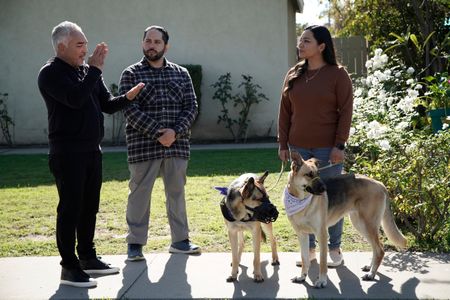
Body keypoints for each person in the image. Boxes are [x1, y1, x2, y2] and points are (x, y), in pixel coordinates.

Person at [38, 21, 144, 288]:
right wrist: (96, 70)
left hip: (91, 152)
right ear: (61, 46)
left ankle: (87, 258)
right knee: (70, 210)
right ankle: (69, 267)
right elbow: (74, 98)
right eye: (79, 44)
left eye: (86, 43)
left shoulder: (86, 71)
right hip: (67, 154)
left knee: (89, 209)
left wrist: (127, 97)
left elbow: (107, 105)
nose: (85, 50)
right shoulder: (50, 73)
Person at [119, 25, 200, 261]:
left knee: (176, 194)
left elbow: (191, 107)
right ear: (142, 43)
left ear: (166, 45)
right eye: (147, 41)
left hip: (177, 144)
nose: (151, 45)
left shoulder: (181, 74)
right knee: (139, 195)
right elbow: (129, 110)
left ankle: (180, 241)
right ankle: (135, 244)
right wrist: (158, 133)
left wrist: (174, 131)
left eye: (156, 41)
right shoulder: (131, 74)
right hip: (143, 146)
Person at [277, 25, 353, 267]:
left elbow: (346, 112)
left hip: (326, 150)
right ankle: (308, 251)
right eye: (300, 41)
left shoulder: (338, 74)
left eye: (306, 41)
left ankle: (334, 248)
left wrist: (340, 145)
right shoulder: (294, 74)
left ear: (321, 46)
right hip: (299, 149)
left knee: (328, 199)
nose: (300, 45)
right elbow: (284, 112)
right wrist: (283, 143)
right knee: (302, 198)